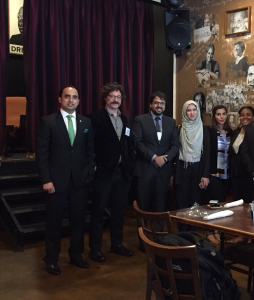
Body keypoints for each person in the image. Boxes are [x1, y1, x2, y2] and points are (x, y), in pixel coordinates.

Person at [36, 86, 95, 275]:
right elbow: (42, 154)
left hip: (80, 181)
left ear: (79, 101)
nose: (71, 100)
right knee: (54, 222)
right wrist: (46, 179)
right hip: (56, 182)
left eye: (75, 97)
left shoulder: (86, 122)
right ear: (60, 99)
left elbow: (90, 151)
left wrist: (88, 174)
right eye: (67, 96)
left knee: (78, 220)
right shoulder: (48, 122)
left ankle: (76, 255)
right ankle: (51, 259)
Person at [88, 82, 135, 263]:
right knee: (98, 213)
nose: (115, 100)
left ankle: (117, 244)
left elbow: (128, 144)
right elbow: (89, 146)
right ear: (105, 98)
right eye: (112, 96)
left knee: (118, 212)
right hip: (103, 174)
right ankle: (95, 249)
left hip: (122, 174)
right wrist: (94, 167)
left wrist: (130, 166)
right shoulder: (94, 118)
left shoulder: (125, 119)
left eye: (118, 97)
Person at [132, 92, 179, 233]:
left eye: (162, 103)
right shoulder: (140, 120)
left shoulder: (171, 122)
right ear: (150, 105)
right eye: (156, 102)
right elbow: (137, 143)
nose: (159, 105)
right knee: (143, 207)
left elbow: (175, 145)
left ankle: (159, 237)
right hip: (145, 170)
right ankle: (143, 239)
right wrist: (153, 157)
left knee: (160, 207)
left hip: (163, 171)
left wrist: (164, 158)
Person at [174, 100, 210, 231]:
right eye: (188, 110)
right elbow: (175, 152)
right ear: (184, 112)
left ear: (198, 111)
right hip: (182, 169)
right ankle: (182, 233)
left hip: (198, 169)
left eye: (194, 110)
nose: (192, 113)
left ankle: (192, 233)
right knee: (181, 203)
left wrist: (205, 175)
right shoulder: (179, 129)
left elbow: (207, 154)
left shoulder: (204, 129)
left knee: (195, 203)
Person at [206, 105, 231, 244]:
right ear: (214, 116)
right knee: (213, 204)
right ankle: (210, 231)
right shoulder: (209, 131)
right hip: (214, 173)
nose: (221, 116)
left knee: (222, 204)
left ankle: (218, 231)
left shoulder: (230, 132)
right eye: (218, 114)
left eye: (223, 114)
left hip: (227, 174)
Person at [229, 106, 254, 203]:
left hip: (249, 175)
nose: (245, 117)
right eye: (242, 115)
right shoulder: (236, 132)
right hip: (235, 175)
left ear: (253, 116)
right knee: (236, 204)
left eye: (248, 115)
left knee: (248, 204)